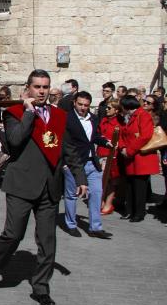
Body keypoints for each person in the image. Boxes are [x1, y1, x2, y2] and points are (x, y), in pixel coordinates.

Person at [0, 70, 82, 305]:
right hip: (22, 185)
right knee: (13, 235)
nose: (41, 91)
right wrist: (28, 112)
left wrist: (81, 178)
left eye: (45, 87)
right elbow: (15, 142)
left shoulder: (60, 115)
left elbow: (68, 149)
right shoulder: (15, 114)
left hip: (50, 187)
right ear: (28, 88)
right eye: (37, 87)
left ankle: (41, 288)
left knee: (48, 241)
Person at [62, 91, 113, 239]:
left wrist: (105, 142)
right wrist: (65, 164)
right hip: (74, 162)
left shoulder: (93, 118)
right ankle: (71, 224)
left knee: (96, 194)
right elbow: (64, 144)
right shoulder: (67, 119)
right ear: (74, 103)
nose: (83, 108)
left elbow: (94, 137)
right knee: (71, 195)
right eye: (80, 104)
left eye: (86, 105)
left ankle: (95, 227)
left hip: (92, 162)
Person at [118, 95, 159, 222]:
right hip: (131, 156)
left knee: (139, 186)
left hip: (141, 157)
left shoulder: (143, 115)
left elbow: (145, 136)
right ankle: (129, 210)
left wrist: (129, 150)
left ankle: (139, 213)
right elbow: (122, 134)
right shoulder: (129, 117)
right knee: (130, 185)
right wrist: (122, 147)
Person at [97, 99, 123, 215]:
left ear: (116, 110)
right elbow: (98, 133)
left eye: (109, 108)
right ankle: (101, 201)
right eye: (106, 107)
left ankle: (108, 203)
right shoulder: (103, 120)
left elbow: (122, 139)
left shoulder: (119, 123)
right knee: (102, 179)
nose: (106, 110)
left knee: (112, 180)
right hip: (101, 153)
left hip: (112, 155)